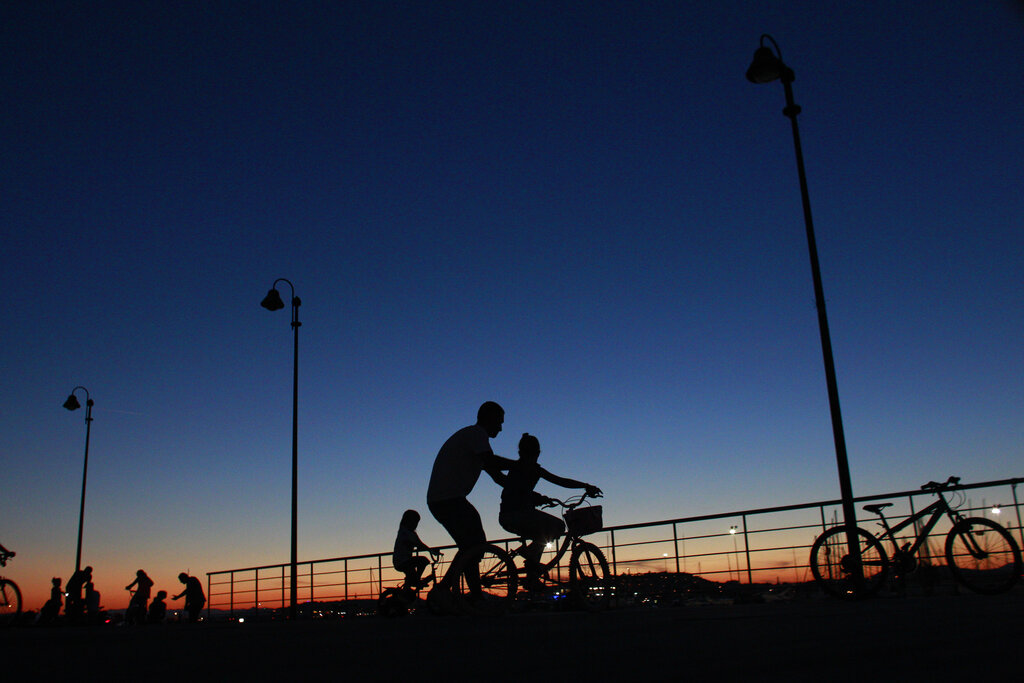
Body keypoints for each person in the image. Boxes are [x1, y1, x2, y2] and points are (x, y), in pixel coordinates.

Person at [426, 401, 516, 597]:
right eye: (499, 422)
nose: (501, 428)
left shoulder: (475, 440)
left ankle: (451, 591)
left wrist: (523, 489)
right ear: (489, 419)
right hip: (447, 499)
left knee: (471, 545)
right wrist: (521, 465)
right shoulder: (476, 435)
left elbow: (497, 476)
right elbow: (493, 463)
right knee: (473, 544)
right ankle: (462, 593)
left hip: (445, 499)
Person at [499, 433, 601, 591]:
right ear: (537, 453)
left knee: (542, 533)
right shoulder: (532, 469)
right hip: (519, 515)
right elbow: (560, 481)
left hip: (508, 515)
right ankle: (530, 561)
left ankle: (532, 571)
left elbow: (518, 491)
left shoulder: (517, 467)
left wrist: (540, 498)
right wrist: (586, 486)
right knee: (558, 526)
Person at [393, 510, 440, 592]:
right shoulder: (405, 532)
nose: (415, 524)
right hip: (402, 561)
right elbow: (418, 544)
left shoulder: (408, 532)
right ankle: (416, 581)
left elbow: (419, 544)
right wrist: (430, 550)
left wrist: (429, 549)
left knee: (410, 580)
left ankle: (409, 589)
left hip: (404, 560)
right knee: (423, 560)